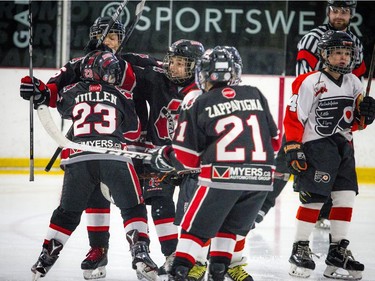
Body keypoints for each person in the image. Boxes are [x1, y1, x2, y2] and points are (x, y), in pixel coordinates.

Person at [20, 50, 159, 281]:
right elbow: (133, 132)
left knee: (67, 213)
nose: (113, 77)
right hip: (114, 157)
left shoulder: (70, 91)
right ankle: (140, 254)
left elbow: (54, 102)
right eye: (110, 73)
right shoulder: (121, 93)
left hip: (79, 158)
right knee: (133, 207)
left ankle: (45, 257)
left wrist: (39, 93)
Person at [167, 47, 280, 281]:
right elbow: (275, 143)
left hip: (222, 177)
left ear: (203, 74)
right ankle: (218, 271)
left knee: (194, 232)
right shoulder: (255, 94)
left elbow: (187, 158)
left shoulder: (200, 100)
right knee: (227, 229)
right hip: (259, 182)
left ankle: (177, 273)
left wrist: (167, 158)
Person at [255, 0, 366, 229]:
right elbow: (304, 82)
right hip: (311, 114)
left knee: (334, 165)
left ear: (351, 14)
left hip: (337, 122)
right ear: (328, 11)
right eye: (336, 10)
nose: (339, 15)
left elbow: (356, 81)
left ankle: (322, 214)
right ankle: (259, 208)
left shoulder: (356, 43)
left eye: (345, 11)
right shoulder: (313, 39)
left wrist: (360, 107)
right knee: (287, 161)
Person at [284, 30, 375, 279]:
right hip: (316, 146)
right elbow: (294, 116)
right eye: (337, 53)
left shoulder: (355, 83)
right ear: (324, 54)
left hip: (344, 147)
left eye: (347, 53)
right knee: (314, 197)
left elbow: (354, 122)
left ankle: (338, 249)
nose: (343, 58)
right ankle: (300, 246)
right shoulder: (309, 82)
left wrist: (366, 114)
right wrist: (293, 147)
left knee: (346, 196)